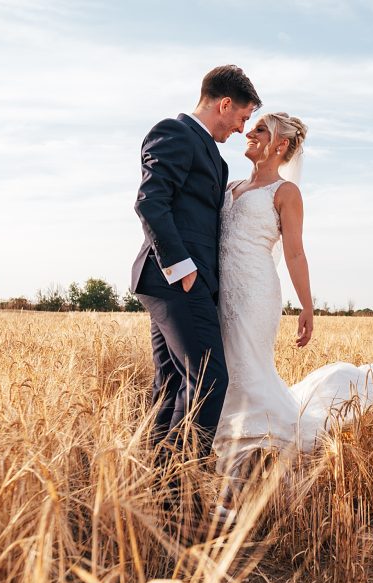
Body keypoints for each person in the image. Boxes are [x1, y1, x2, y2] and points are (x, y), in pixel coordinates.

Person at [213, 112, 373, 514]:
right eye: (253, 126)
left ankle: (235, 483)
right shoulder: (230, 187)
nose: (250, 133)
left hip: (256, 293)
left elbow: (294, 251)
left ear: (279, 146)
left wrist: (307, 306)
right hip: (222, 292)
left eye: (260, 129)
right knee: (226, 372)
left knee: (246, 372)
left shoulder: (286, 192)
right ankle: (239, 462)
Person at [131, 65, 261, 467]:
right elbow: (150, 201)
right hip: (174, 280)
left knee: (172, 385)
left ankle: (154, 487)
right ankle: (179, 488)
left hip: (187, 283)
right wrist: (182, 269)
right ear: (224, 104)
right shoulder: (174, 132)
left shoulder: (216, 160)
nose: (242, 129)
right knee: (208, 380)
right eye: (242, 118)